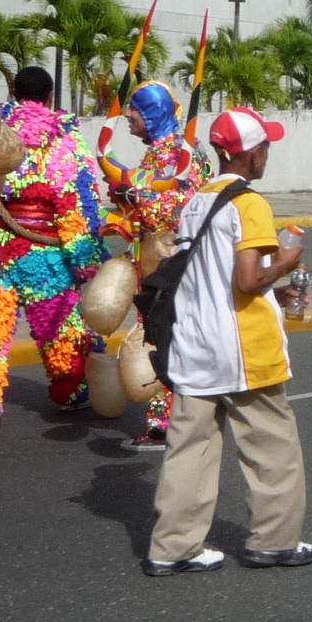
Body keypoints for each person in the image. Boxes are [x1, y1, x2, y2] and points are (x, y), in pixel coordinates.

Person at [144, 106, 312, 575]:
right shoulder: (250, 203)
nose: (267, 154)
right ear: (251, 153)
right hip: (241, 348)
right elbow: (244, 280)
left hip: (193, 344)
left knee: (190, 450)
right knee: (272, 446)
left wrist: (273, 287)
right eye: (264, 146)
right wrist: (284, 261)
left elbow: (210, 275)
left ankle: (173, 548)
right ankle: (275, 541)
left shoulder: (196, 200)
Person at [0, 66, 109, 427]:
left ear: (13, 93)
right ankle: (72, 390)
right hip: (42, 255)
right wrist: (85, 261)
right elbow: (76, 202)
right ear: (50, 97)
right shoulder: (63, 139)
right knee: (59, 326)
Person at [106, 81, 209, 450]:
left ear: (151, 113)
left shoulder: (184, 155)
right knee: (159, 336)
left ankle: (167, 424)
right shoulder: (156, 154)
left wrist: (135, 197)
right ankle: (169, 419)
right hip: (151, 264)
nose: (127, 115)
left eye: (134, 108)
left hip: (175, 265)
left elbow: (181, 208)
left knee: (169, 338)